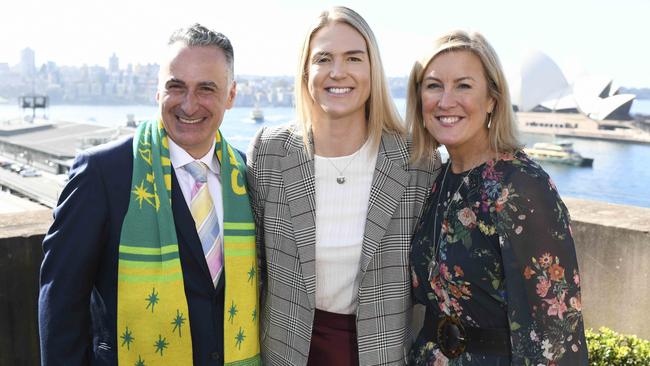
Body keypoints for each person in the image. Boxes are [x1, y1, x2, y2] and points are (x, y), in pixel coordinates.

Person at [38, 24, 260, 365]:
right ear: (157, 91)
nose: (189, 104)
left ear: (231, 96)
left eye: (206, 89)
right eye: (176, 86)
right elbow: (61, 303)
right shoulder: (102, 174)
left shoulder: (246, 176)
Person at [246, 6, 439, 366]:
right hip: (285, 353)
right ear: (306, 71)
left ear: (372, 69)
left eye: (353, 58)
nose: (338, 72)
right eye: (324, 58)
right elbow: (252, 269)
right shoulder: (269, 152)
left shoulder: (417, 161)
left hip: (380, 356)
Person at [405, 30, 588, 365]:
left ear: (491, 98)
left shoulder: (522, 187)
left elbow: (558, 332)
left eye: (463, 85)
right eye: (433, 85)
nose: (446, 101)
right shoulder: (437, 179)